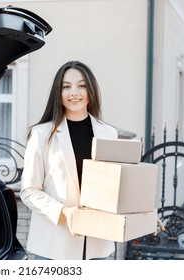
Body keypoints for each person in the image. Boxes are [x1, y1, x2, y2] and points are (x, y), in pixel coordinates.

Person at [20, 60, 118, 260]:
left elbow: (117, 186)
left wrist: (142, 213)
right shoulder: (41, 134)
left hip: (97, 244)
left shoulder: (109, 133)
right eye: (66, 87)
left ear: (91, 90)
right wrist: (65, 212)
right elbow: (29, 191)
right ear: (58, 93)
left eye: (81, 85)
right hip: (54, 245)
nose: (74, 92)